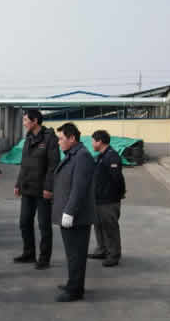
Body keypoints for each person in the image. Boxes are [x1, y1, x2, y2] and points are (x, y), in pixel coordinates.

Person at [52, 122, 96, 302]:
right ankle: (74, 283)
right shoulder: (73, 154)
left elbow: (79, 187)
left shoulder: (82, 156)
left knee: (76, 254)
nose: (59, 142)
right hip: (70, 214)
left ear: (72, 138)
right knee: (72, 254)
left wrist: (69, 211)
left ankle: (75, 290)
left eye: (61, 138)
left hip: (77, 216)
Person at [13, 109, 59, 269]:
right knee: (24, 222)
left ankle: (44, 258)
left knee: (44, 225)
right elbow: (24, 164)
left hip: (42, 190)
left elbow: (53, 165)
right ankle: (29, 253)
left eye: (26, 120)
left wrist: (49, 187)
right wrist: (18, 184)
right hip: (27, 188)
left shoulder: (49, 138)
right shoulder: (28, 137)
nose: (24, 123)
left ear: (35, 121)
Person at [88, 130, 126, 267]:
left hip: (109, 200)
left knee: (110, 228)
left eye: (93, 141)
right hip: (99, 199)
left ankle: (114, 255)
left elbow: (117, 179)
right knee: (99, 226)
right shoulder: (101, 156)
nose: (92, 144)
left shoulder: (112, 156)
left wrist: (116, 196)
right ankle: (102, 250)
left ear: (100, 142)